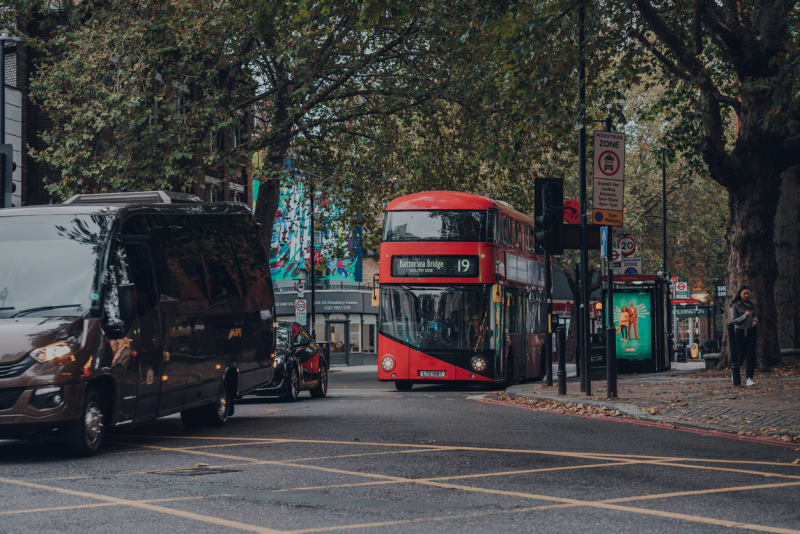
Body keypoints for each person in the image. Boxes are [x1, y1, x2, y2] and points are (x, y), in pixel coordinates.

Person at [729, 285, 759, 386]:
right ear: (740, 294)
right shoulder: (735, 305)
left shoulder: (751, 304)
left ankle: (749, 378)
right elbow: (734, 320)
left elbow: (754, 314)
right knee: (740, 355)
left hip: (751, 331)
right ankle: (735, 375)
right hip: (740, 332)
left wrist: (755, 320)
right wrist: (744, 316)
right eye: (745, 293)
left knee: (751, 355)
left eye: (748, 293)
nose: (747, 295)